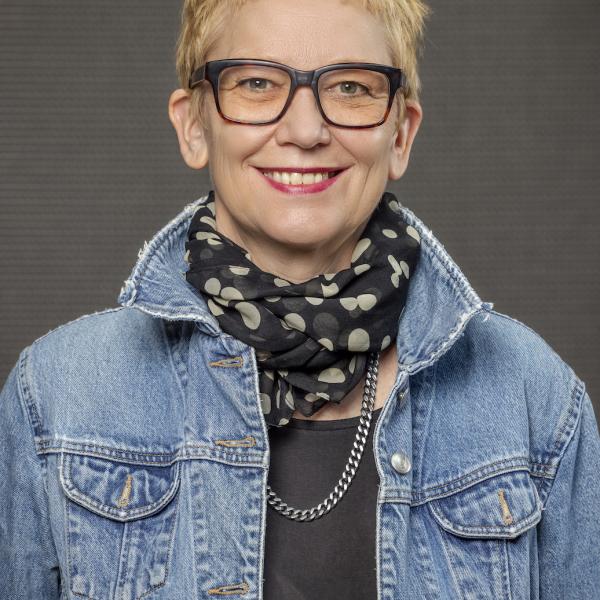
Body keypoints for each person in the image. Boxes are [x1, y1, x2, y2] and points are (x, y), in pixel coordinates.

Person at [1, 0, 599, 597]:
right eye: (257, 83)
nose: (306, 131)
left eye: (351, 88)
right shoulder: (54, 398)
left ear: (401, 134)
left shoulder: (535, 400)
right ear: (193, 125)